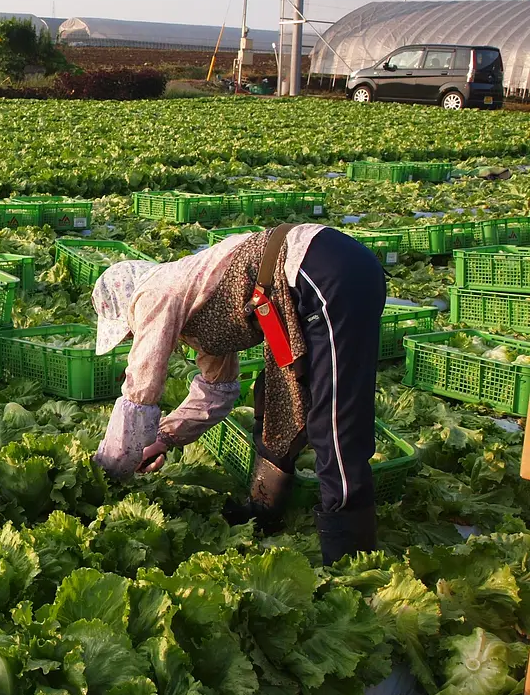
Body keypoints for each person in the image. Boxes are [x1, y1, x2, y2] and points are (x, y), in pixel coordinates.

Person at [90, 224, 386, 565]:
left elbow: (140, 392)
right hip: (290, 296)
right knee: (277, 400)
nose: (132, 337)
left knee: (333, 417)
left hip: (321, 269)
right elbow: (217, 391)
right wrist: (163, 438)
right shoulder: (194, 299)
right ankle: (265, 508)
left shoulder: (155, 293)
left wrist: (110, 471)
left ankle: (351, 556)